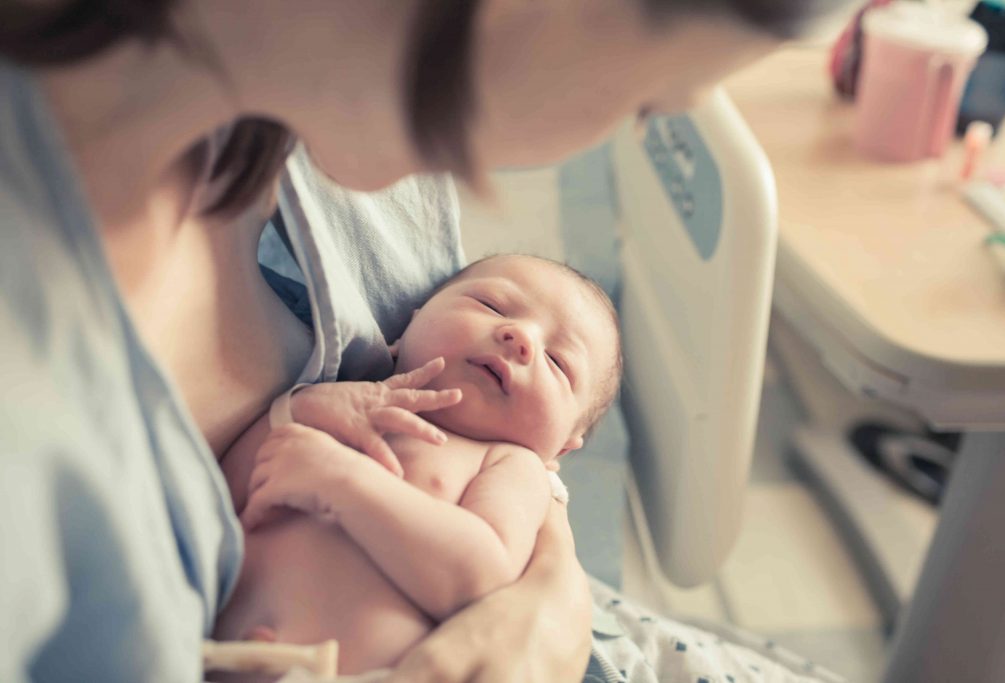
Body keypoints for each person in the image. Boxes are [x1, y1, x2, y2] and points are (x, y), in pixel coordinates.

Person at [0, 1, 856, 681]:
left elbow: (515, 485)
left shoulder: (335, 112)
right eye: (645, 103)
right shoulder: (35, 423)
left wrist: (547, 608)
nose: (516, 336)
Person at [210, 254, 623, 679]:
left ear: (561, 451)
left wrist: (342, 480)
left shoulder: (510, 465)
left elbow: (477, 577)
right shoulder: (342, 397)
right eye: (492, 305)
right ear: (409, 324)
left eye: (558, 362)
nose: (521, 337)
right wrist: (297, 410)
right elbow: (227, 486)